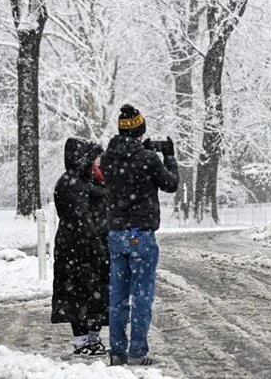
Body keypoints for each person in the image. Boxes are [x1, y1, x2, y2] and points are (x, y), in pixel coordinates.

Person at [102, 104, 178, 367]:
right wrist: (169, 156)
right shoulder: (148, 159)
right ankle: (137, 351)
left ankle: (116, 351)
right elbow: (171, 184)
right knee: (142, 294)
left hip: (115, 233)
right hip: (141, 233)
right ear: (140, 130)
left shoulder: (107, 158)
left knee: (118, 295)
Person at [51, 138, 109, 356]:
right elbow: (82, 221)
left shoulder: (88, 181)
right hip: (78, 250)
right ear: (83, 159)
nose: (98, 162)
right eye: (95, 158)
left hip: (89, 249)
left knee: (95, 294)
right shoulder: (71, 184)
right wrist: (98, 251)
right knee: (78, 296)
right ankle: (82, 342)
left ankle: (93, 340)